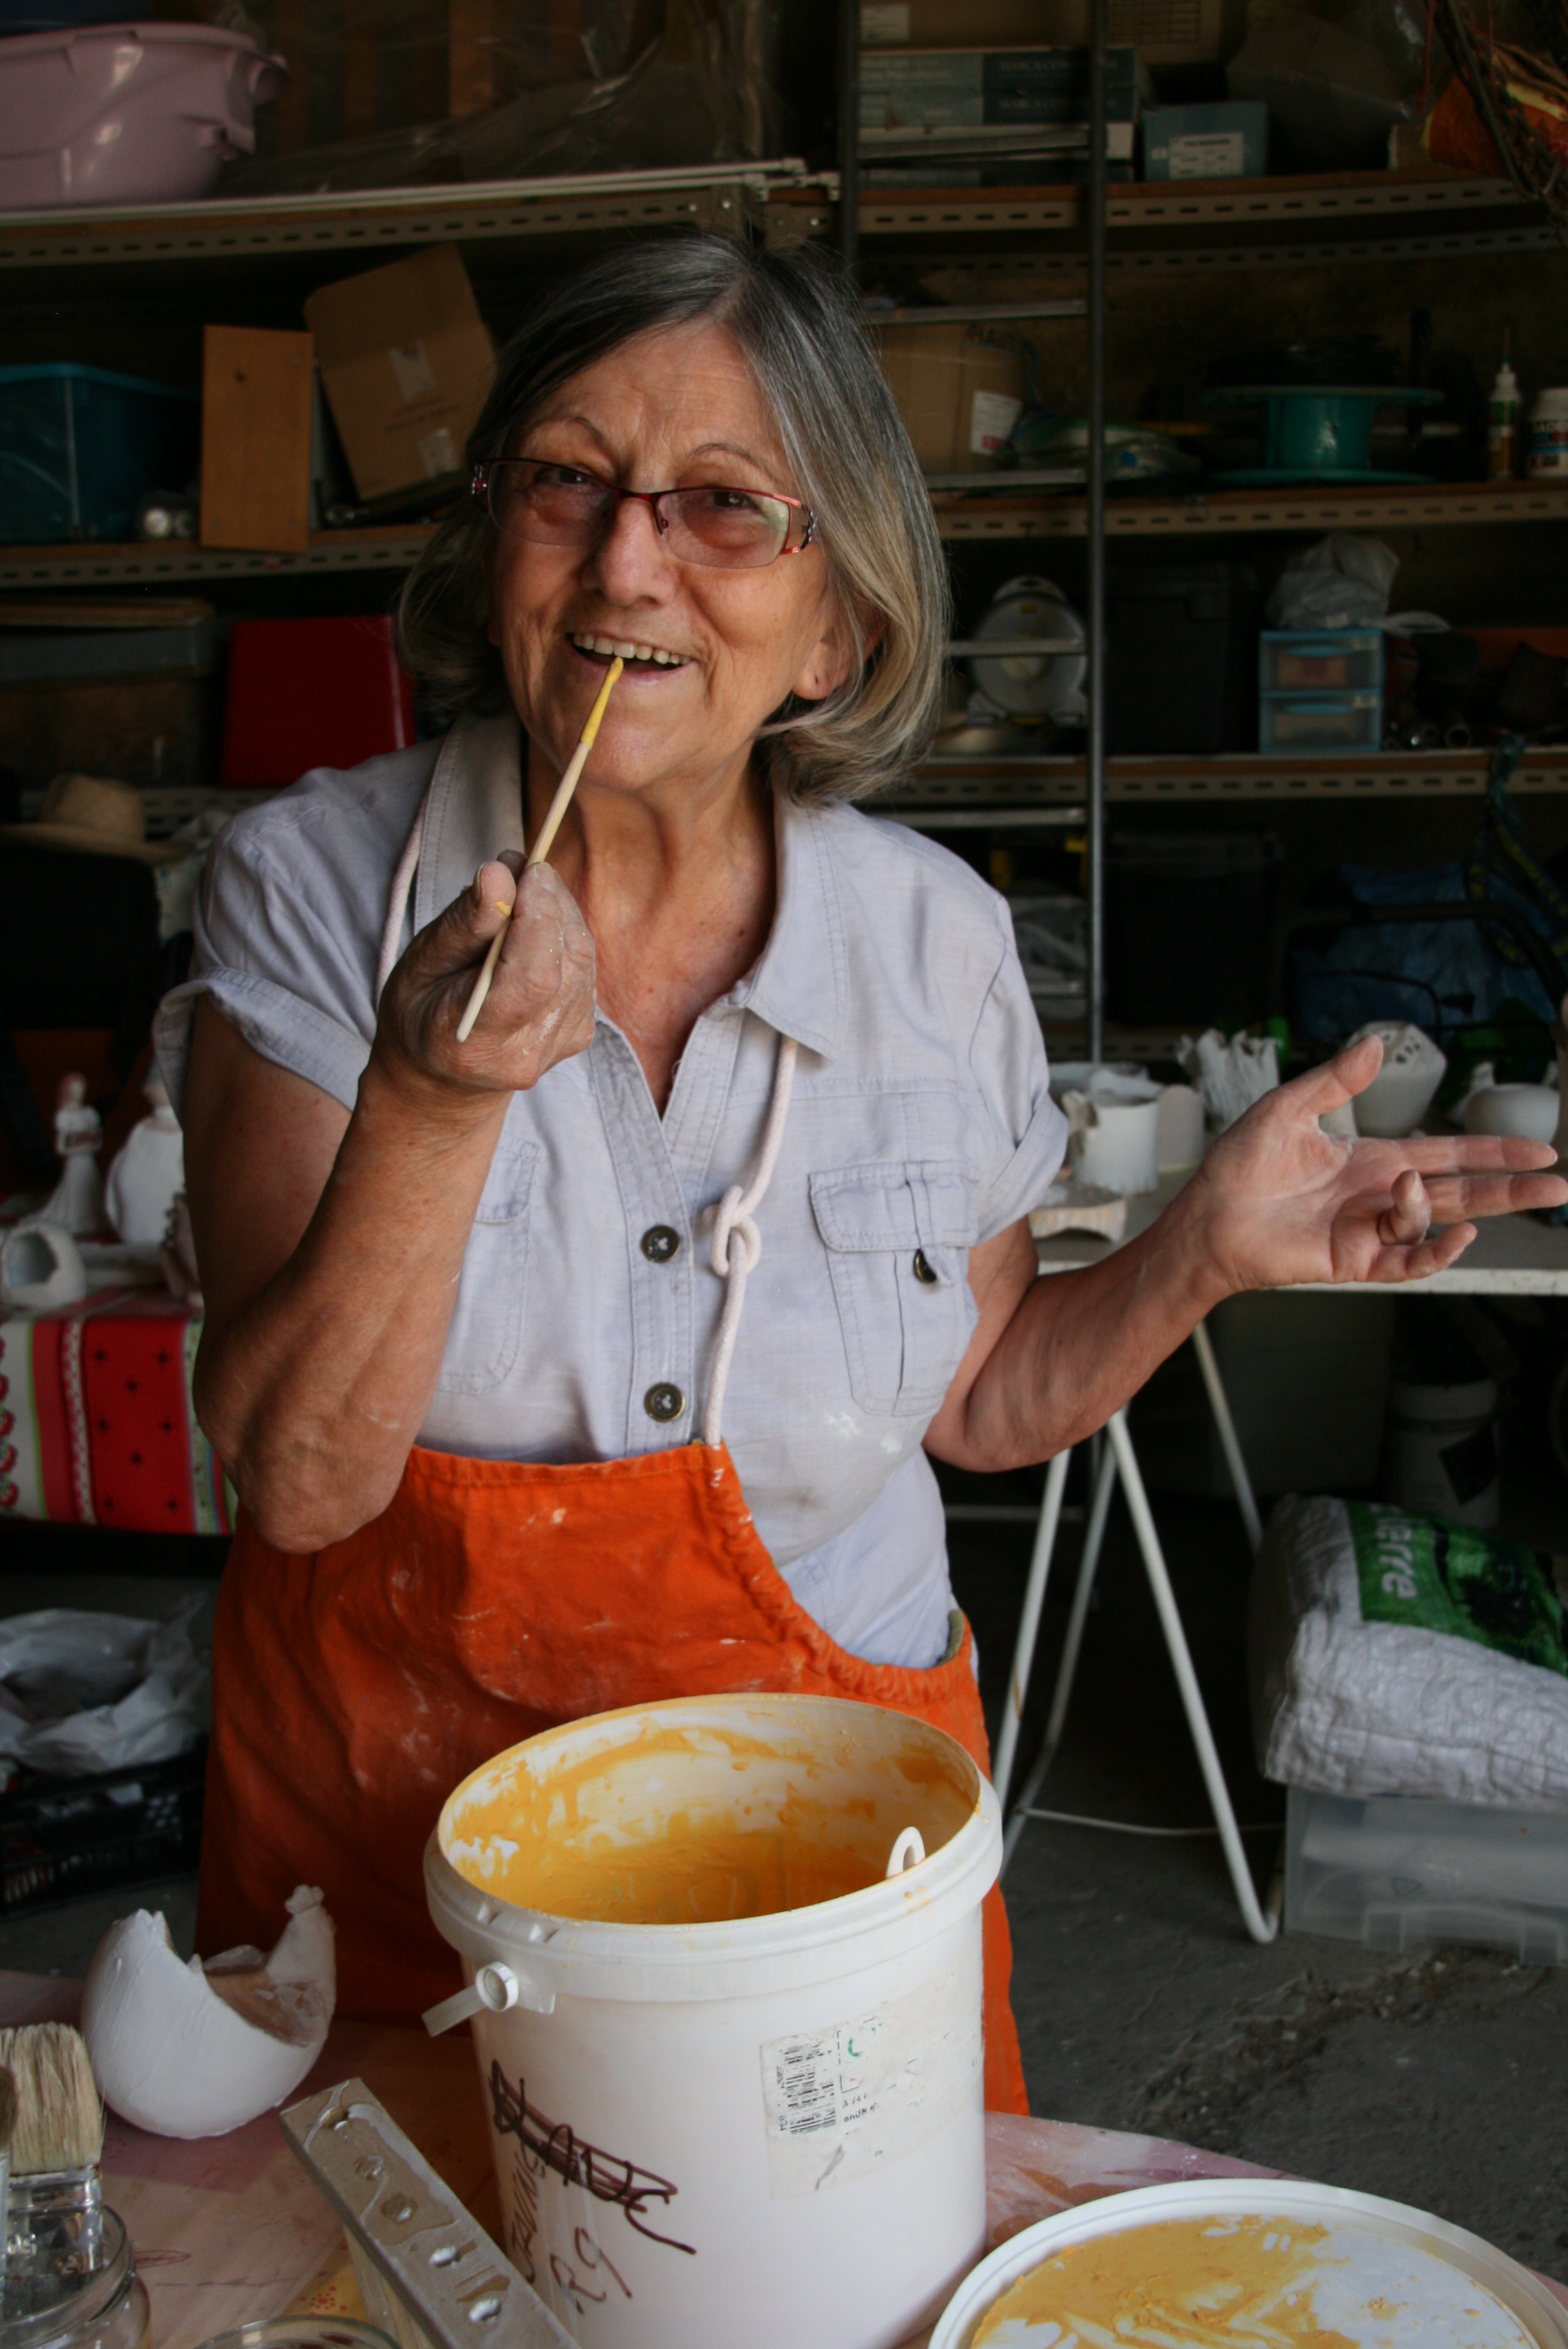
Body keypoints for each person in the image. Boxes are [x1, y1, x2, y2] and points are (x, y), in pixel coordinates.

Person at [155, 235, 1563, 2117]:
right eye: (568, 481)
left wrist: (1201, 1252)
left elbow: (978, 1398)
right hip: (400, 1869)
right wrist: (428, 1104)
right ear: (496, 542)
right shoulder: (320, 893)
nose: (626, 565)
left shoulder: (935, 945)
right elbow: (299, 1483)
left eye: (723, 505)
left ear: (835, 634)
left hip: (824, 1864)